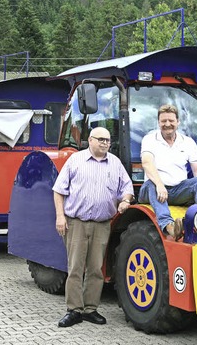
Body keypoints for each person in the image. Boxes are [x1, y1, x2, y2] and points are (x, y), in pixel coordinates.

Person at [53, 127, 133, 328]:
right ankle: (74, 310)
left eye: (108, 140)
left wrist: (125, 200)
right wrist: (60, 217)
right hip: (76, 223)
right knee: (75, 268)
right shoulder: (75, 160)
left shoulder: (115, 163)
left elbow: (127, 188)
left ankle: (90, 309)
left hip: (102, 224)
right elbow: (58, 190)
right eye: (101, 140)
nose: (105, 143)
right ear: (90, 140)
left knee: (96, 268)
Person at [138, 104, 197, 242]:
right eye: (163, 121)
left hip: (177, 190)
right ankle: (170, 226)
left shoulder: (188, 142)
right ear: (158, 123)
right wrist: (159, 184)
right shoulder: (149, 139)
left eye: (171, 121)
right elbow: (147, 163)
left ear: (178, 122)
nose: (167, 124)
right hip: (152, 189)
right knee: (152, 184)